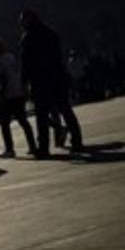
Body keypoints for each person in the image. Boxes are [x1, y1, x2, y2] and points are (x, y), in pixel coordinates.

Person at [19, 9, 85, 156]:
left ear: (28, 20)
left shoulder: (27, 38)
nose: (21, 23)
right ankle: (77, 140)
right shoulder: (51, 33)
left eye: (23, 20)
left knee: (41, 116)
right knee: (66, 110)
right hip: (57, 77)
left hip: (40, 81)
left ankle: (43, 147)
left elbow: (26, 64)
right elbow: (58, 57)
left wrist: (23, 83)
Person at [0, 37, 37, 158]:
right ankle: (32, 145)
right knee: (23, 121)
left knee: (4, 124)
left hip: (7, 96)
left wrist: (0, 95)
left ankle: (9, 149)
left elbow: (2, 79)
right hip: (17, 93)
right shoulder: (11, 57)